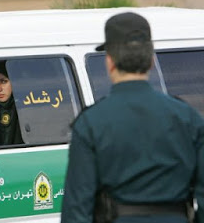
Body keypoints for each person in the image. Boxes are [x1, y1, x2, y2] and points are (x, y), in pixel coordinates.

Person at [61, 12, 203, 223]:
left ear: (109, 62)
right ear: (151, 61)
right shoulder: (188, 118)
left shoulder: (90, 123)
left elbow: (76, 210)